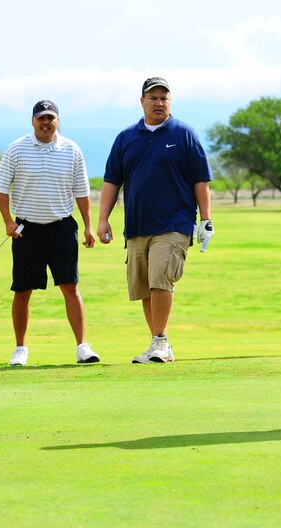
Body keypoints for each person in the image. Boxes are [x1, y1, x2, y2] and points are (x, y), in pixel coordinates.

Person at [97, 77, 213, 364]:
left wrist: (206, 219)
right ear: (142, 101)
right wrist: (102, 219)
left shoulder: (184, 133)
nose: (159, 102)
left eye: (164, 97)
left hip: (174, 222)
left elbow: (201, 180)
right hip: (137, 226)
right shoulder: (126, 137)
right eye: (153, 97)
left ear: (170, 102)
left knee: (161, 279)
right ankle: (158, 343)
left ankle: (160, 341)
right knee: (146, 287)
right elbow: (112, 181)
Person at [0, 99, 99, 366]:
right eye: (41, 118)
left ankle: (82, 347)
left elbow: (82, 192)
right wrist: (8, 221)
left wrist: (88, 225)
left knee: (70, 286)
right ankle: (20, 349)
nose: (46, 122)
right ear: (32, 121)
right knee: (23, 289)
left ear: (58, 121)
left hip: (62, 227)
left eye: (50, 117)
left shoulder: (72, 150)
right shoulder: (17, 149)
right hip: (26, 229)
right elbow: (1, 187)